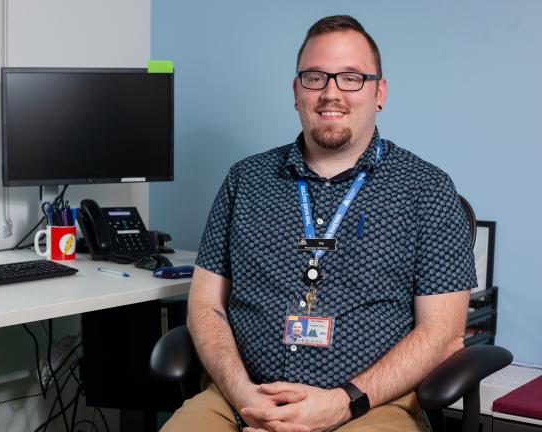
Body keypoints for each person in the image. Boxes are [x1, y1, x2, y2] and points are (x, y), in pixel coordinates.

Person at [162, 15, 476, 432]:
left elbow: (442, 331)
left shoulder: (426, 188)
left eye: (351, 78)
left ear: (379, 92)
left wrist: (342, 402)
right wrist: (244, 396)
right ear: (296, 92)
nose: (331, 93)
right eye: (315, 78)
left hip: (370, 406)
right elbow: (204, 305)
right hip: (242, 399)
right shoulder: (245, 180)